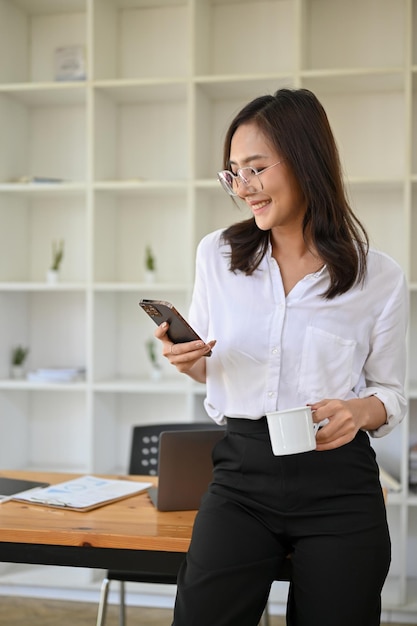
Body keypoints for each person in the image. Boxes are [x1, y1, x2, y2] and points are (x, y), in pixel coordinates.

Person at [154, 88, 408, 626]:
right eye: (232, 173)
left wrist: (359, 411)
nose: (242, 187)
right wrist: (187, 358)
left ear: (305, 159)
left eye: (255, 169)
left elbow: (390, 393)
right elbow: (210, 365)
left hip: (338, 482)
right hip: (242, 473)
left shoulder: (377, 277)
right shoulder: (217, 255)